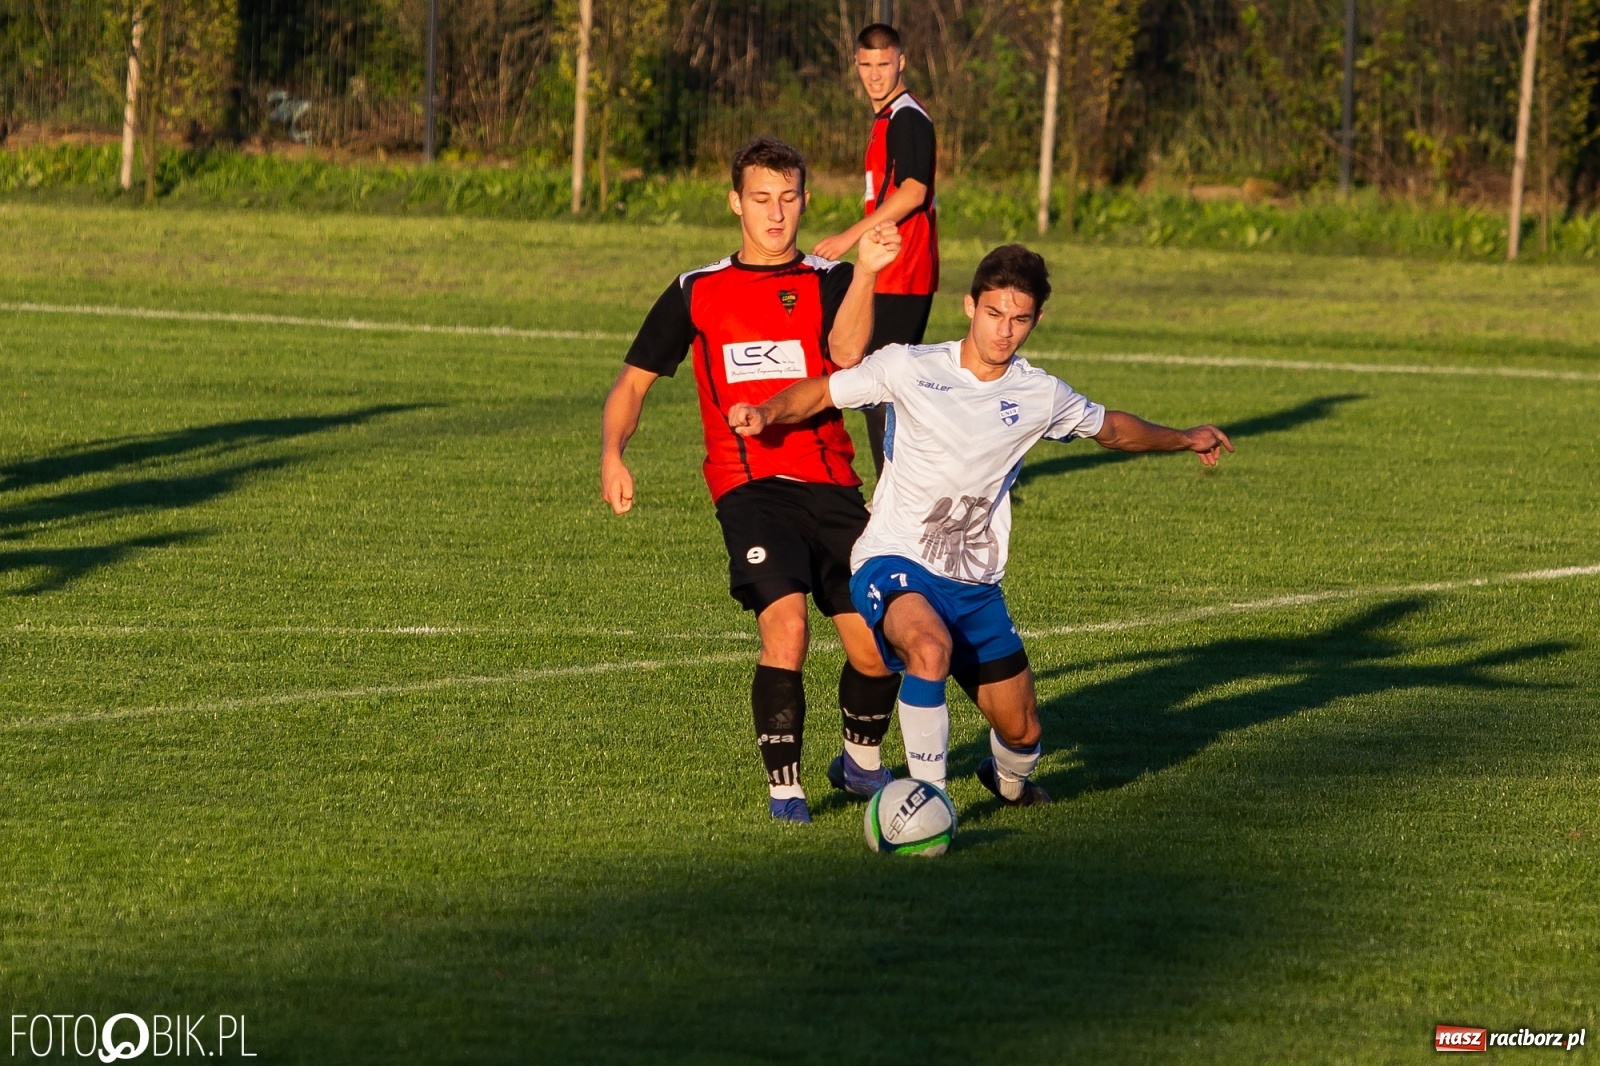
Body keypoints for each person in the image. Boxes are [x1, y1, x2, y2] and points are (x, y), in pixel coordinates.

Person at [727, 244, 1233, 805]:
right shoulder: (908, 366)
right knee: (928, 647)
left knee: (1023, 732)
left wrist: (1185, 437)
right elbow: (825, 390)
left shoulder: (1041, 395)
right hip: (893, 558)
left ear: (1037, 319)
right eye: (994, 314)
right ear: (970, 305)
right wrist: (768, 411)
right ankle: (928, 801)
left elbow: (1111, 428)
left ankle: (1007, 783)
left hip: (973, 583)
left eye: (1019, 319)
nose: (1004, 331)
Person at [600, 137, 906, 825]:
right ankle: (786, 791)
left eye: (789, 199)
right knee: (788, 628)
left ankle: (859, 764)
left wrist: (865, 276)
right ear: (736, 201)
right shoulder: (697, 291)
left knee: (877, 645)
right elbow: (632, 383)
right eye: (762, 199)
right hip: (748, 485)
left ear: (804, 200)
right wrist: (613, 454)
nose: (776, 214)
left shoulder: (832, 281)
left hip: (832, 484)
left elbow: (855, 364)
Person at [811, 21, 939, 476]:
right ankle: (898, 484)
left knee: (878, 381)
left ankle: (896, 490)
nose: (874, 74)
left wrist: (848, 237)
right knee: (878, 380)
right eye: (866, 65)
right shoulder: (886, 118)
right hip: (887, 266)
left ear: (901, 62)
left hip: (903, 269)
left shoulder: (907, 116)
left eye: (884, 64)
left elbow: (913, 192)